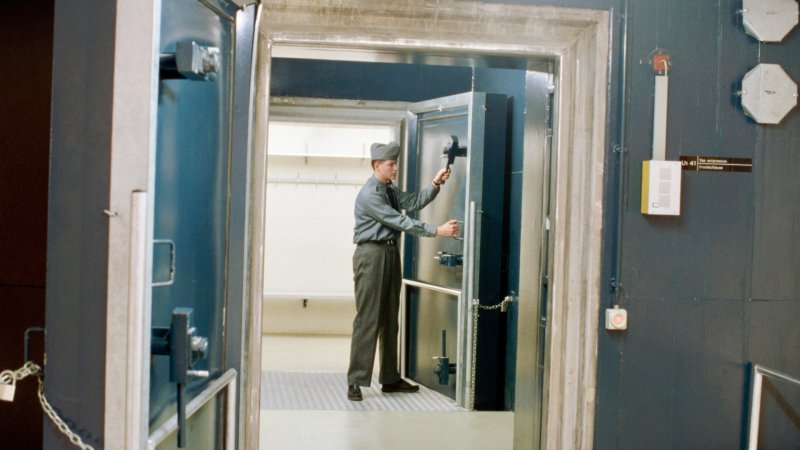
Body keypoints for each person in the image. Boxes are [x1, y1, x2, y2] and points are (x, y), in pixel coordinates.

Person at [347, 141, 459, 401]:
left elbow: (414, 202)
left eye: (395, 163)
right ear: (377, 166)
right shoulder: (370, 194)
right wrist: (436, 231)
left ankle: (389, 378)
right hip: (371, 255)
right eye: (391, 164)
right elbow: (400, 220)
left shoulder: (389, 189)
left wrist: (435, 184)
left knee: (389, 317)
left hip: (389, 252)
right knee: (368, 319)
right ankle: (355, 380)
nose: (395, 167)